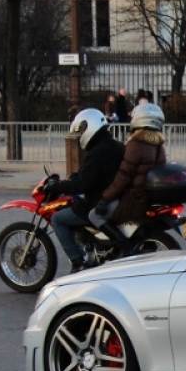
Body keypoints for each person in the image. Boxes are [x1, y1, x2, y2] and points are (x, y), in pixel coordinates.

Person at [46, 108, 126, 273]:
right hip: (116, 197)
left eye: (82, 129)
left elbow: (83, 185)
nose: (81, 133)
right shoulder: (117, 146)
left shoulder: (97, 152)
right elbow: (90, 176)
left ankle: (77, 262)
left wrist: (58, 186)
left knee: (58, 219)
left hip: (99, 201)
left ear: (90, 126)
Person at [95, 102, 167, 229]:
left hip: (134, 199)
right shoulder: (158, 145)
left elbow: (123, 176)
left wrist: (105, 198)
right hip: (148, 196)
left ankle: (121, 245)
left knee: (94, 215)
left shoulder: (136, 144)